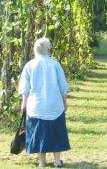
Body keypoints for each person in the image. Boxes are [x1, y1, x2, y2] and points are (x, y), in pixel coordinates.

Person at [18, 37, 70, 167]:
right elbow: (62, 86)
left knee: (38, 134)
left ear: (35, 50)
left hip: (35, 107)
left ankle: (42, 162)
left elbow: (25, 88)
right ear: (48, 50)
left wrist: (24, 103)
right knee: (56, 132)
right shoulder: (55, 64)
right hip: (55, 106)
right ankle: (57, 161)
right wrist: (65, 102)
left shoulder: (29, 65)